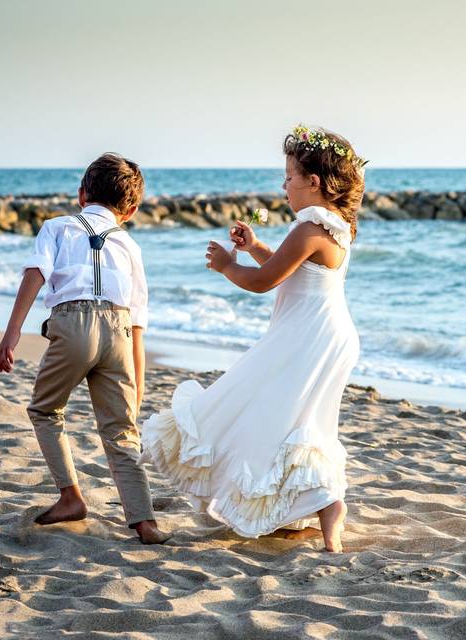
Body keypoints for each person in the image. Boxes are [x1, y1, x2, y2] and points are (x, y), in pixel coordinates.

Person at [142, 125, 366, 552]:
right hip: (328, 335)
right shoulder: (334, 227)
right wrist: (256, 246)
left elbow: (265, 281)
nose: (283, 186)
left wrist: (228, 265)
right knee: (304, 423)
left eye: (288, 177)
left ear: (312, 182)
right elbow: (292, 269)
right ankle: (327, 511)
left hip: (305, 338)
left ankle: (317, 507)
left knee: (269, 412)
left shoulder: (308, 229)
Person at [0, 152, 170, 545]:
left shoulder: (56, 227)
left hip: (73, 325)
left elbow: (36, 273)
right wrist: (137, 384)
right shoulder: (129, 245)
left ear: (81, 194)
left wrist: (12, 332)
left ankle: (71, 496)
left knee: (44, 409)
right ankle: (145, 522)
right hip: (119, 332)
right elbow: (138, 322)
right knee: (122, 431)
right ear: (132, 209)